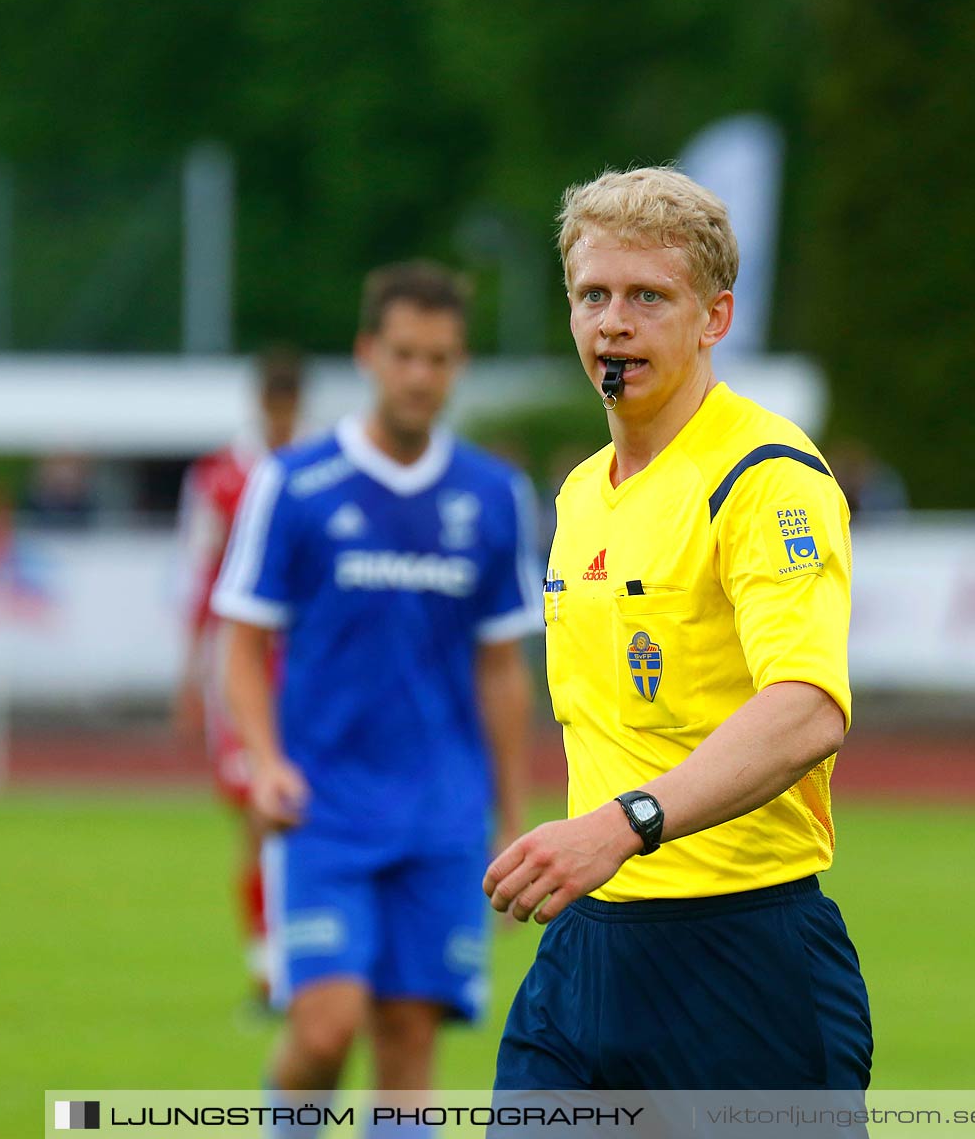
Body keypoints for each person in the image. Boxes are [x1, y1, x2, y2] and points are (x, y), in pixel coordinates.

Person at [484, 167, 873, 1094]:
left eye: (648, 297)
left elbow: (808, 708)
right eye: (593, 295)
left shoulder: (768, 479)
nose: (614, 322)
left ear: (715, 317)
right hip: (585, 954)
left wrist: (624, 825)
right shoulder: (580, 493)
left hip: (743, 960)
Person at [210, 262, 538, 1126]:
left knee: (407, 1037)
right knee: (324, 1027)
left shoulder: (495, 496)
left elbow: (502, 669)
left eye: (439, 358)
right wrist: (265, 761)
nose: (420, 376)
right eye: (404, 355)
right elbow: (242, 643)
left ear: (458, 364)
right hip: (326, 806)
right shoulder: (295, 484)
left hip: (442, 812)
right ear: (367, 354)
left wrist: (511, 818)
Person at [174, 348, 306, 1005]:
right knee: (259, 816)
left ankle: (293, 962)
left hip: (309, 671)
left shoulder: (318, 471)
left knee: (302, 813)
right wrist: (187, 675)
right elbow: (197, 576)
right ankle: (268, 965)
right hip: (242, 667)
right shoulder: (219, 478)